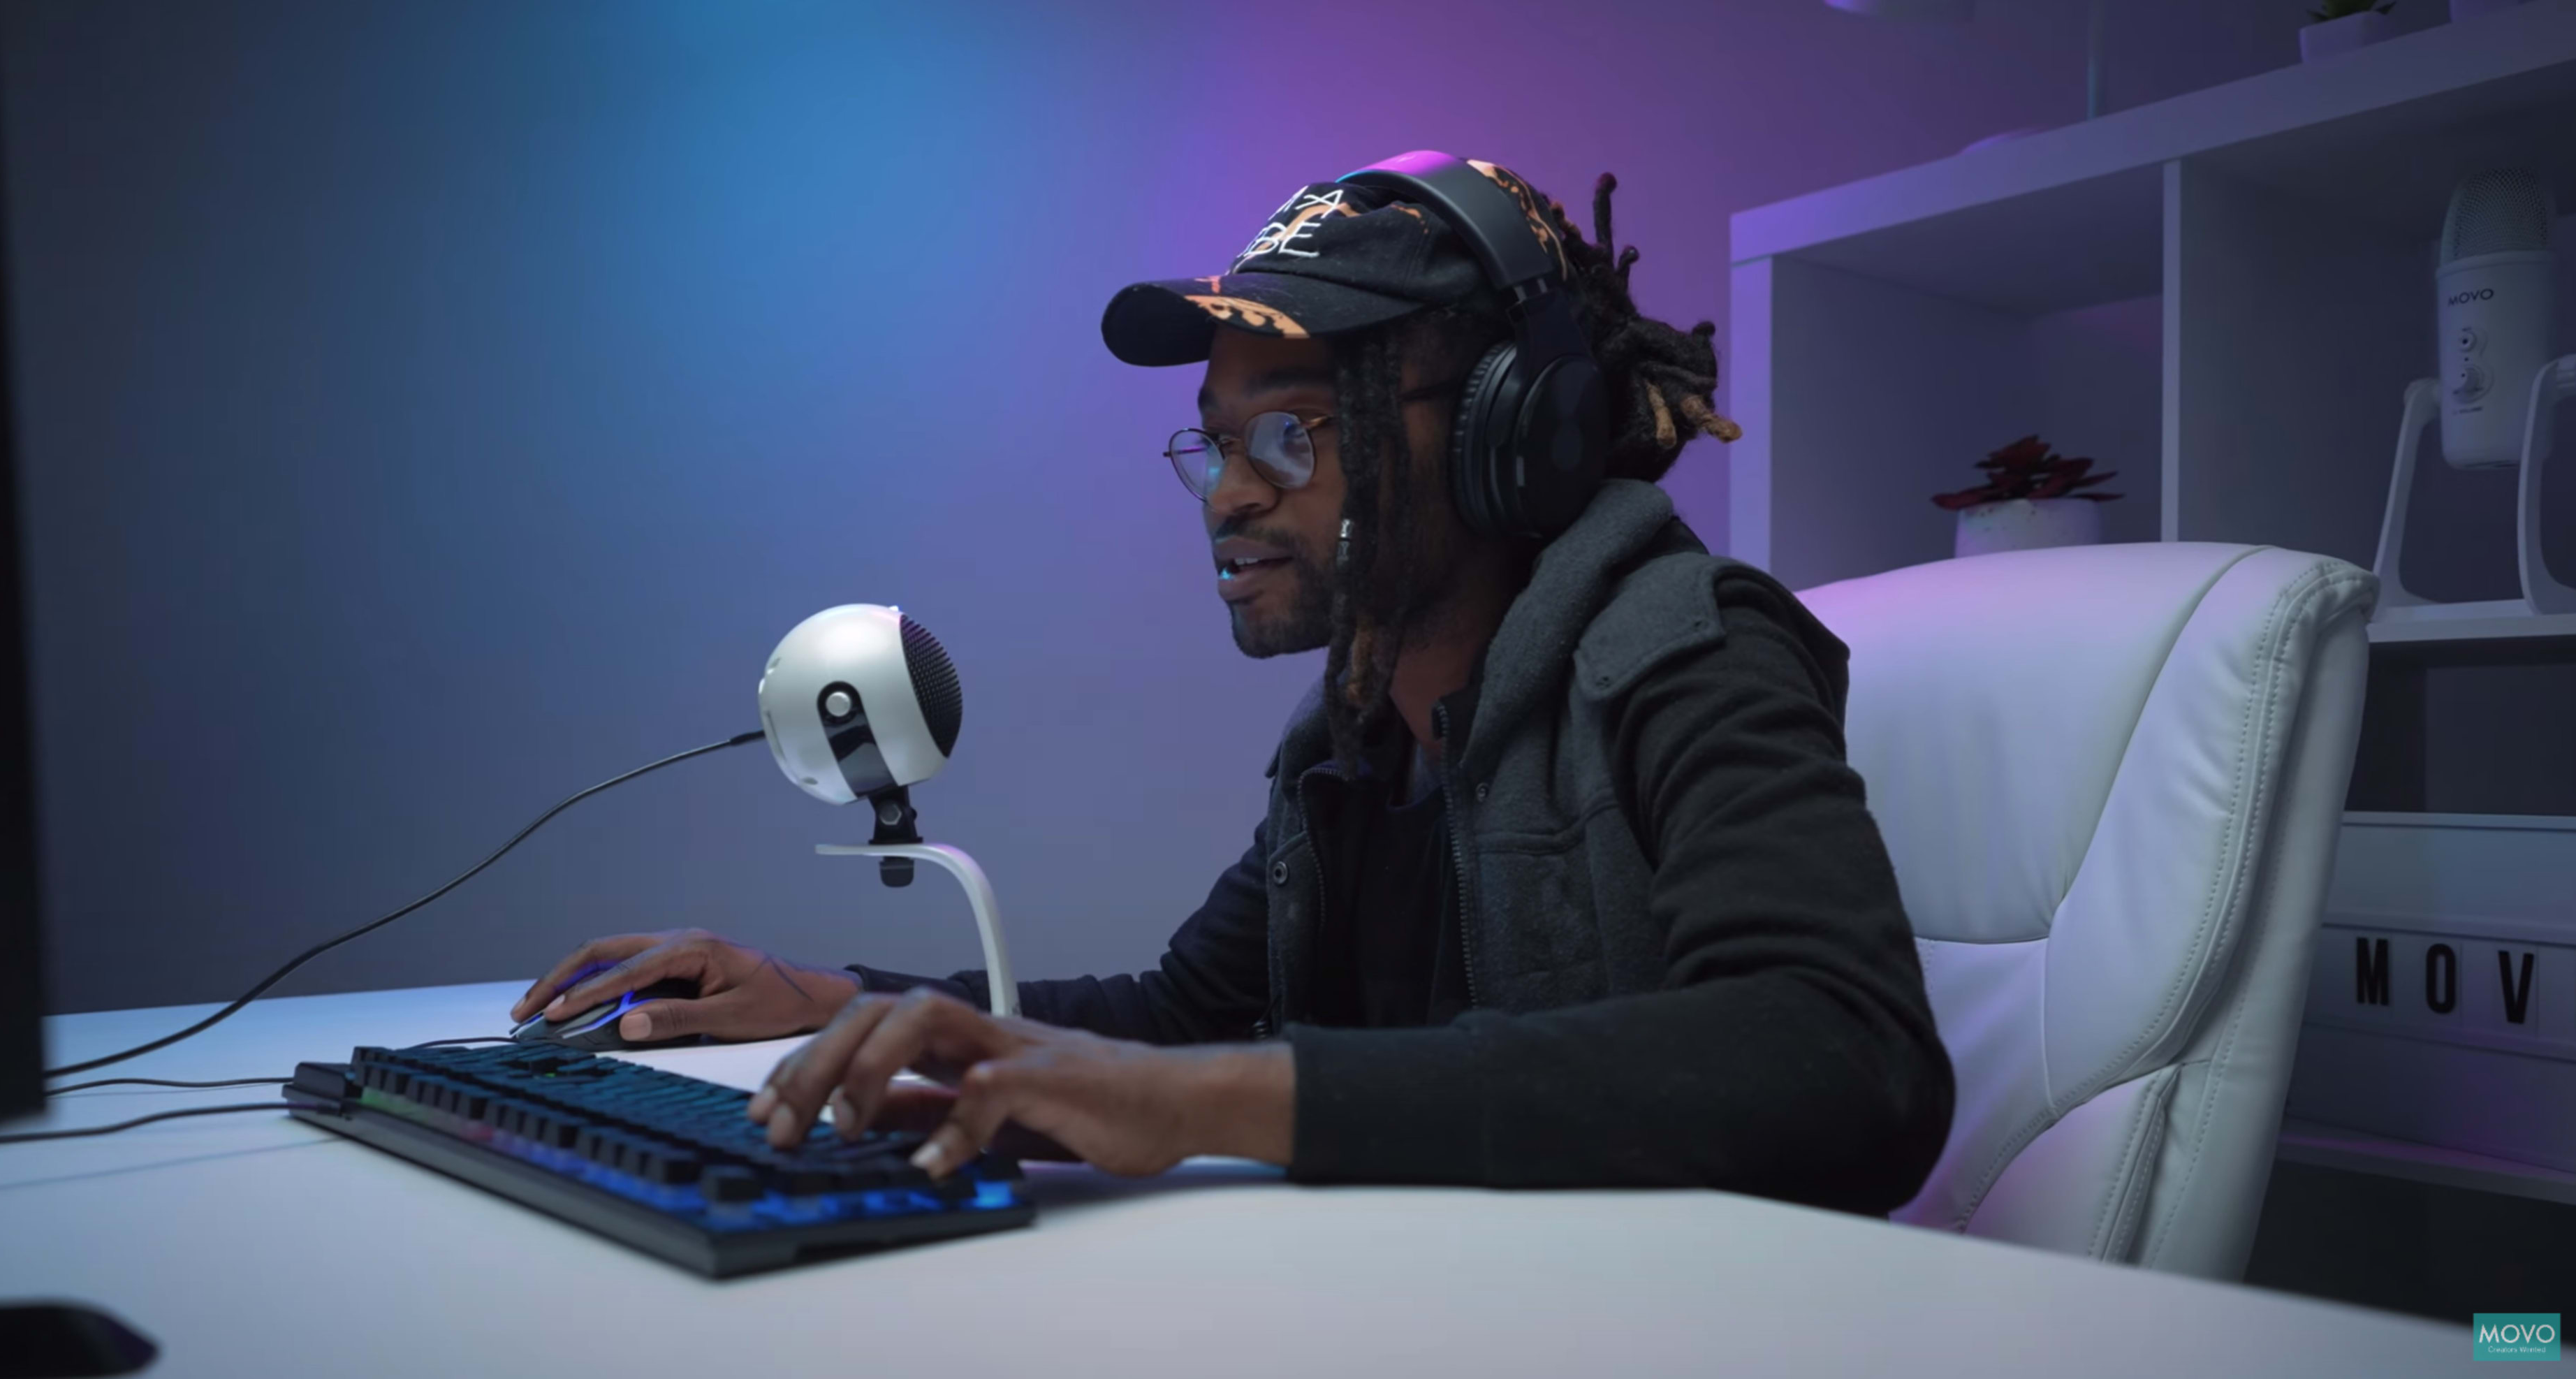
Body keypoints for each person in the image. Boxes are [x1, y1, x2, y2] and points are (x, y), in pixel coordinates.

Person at [507, 154, 1954, 1213]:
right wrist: (817, 996)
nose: (1225, 500)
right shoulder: (1351, 747)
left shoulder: (1685, 650)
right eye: (1215, 447)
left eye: (1296, 437)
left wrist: (1211, 1105)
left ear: (1514, 433)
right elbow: (1181, 1013)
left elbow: (1846, 1060)